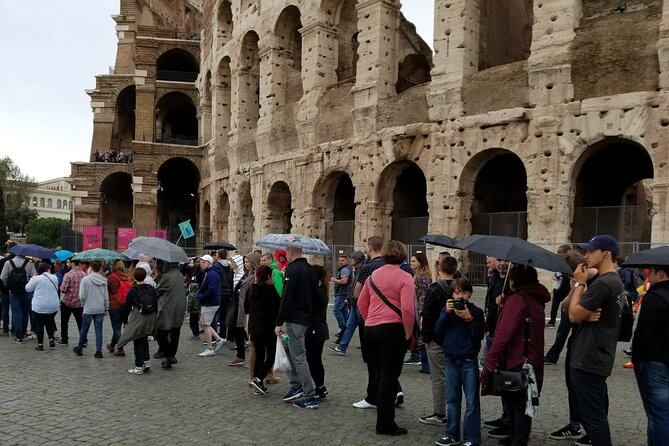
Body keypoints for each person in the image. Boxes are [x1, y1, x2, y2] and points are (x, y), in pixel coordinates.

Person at [483, 265, 550, 446]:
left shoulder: (519, 300)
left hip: (518, 361)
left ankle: (519, 440)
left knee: (518, 404)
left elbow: (504, 334)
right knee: (521, 403)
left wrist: (490, 361)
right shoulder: (535, 299)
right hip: (531, 360)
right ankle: (515, 435)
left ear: (515, 280)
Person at [569, 235, 625, 446]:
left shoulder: (603, 284)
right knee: (596, 414)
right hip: (599, 355)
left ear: (606, 254)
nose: (586, 256)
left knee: (594, 419)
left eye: (591, 251)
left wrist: (578, 285)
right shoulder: (614, 281)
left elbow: (573, 315)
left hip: (589, 357)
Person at [357, 240, 415, 435]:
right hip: (392, 329)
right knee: (389, 377)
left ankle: (383, 418)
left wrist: (370, 320)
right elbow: (407, 308)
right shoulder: (405, 277)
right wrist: (408, 331)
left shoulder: (373, 275)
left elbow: (361, 303)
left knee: (380, 374)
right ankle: (385, 424)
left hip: (371, 329)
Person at [546, 250, 594, 444]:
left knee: (585, 389)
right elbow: (566, 307)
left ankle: (591, 430)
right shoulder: (577, 282)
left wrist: (580, 285)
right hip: (575, 341)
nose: (567, 277)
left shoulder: (593, 283)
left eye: (568, 273)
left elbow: (574, 314)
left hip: (587, 344)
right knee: (571, 384)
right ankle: (574, 425)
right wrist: (575, 287)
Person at [435, 278, 485, 446]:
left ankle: (472, 437)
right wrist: (446, 315)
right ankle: (452, 433)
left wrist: (469, 318)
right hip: (450, 360)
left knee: (471, 401)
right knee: (452, 400)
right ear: (452, 295)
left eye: (463, 292)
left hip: (469, 361)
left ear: (470, 294)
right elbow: (438, 333)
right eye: (457, 293)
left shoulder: (476, 312)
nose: (460, 297)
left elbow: (478, 336)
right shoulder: (446, 311)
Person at [275, 246, 319, 410]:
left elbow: (287, 297)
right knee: (289, 349)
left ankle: (309, 395)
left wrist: (279, 322)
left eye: (287, 251)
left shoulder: (292, 270)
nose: (285, 254)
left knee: (299, 357)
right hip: (305, 318)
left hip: (295, 319)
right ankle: (296, 385)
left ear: (292, 252)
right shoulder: (310, 269)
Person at [631, 265, 669, 446]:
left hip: (654, 360)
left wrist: (636, 359)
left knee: (658, 414)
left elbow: (642, 334)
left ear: (660, 273)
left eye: (650, 271)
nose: (648, 275)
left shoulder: (654, 297)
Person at [419, 255, 458, 425]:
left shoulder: (434, 289)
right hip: (455, 337)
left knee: (438, 377)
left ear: (439, 269)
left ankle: (439, 413)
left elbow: (427, 315)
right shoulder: (460, 288)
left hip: (436, 338)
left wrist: (425, 337)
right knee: (454, 376)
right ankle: (453, 410)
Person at [245, 264, 281, 395]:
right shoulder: (271, 290)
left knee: (259, 354)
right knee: (271, 355)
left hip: (254, 327)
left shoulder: (251, 289)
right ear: (268, 277)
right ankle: (259, 379)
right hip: (268, 328)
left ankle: (256, 380)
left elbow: (246, 309)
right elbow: (278, 308)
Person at [116, 267, 158, 374]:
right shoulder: (151, 288)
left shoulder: (133, 290)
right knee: (144, 339)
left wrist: (124, 320)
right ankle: (146, 361)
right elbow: (156, 303)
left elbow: (127, 307)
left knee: (137, 340)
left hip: (139, 318)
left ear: (134, 277)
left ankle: (139, 366)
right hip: (150, 317)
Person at [330, 251, 366, 355]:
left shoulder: (359, 270)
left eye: (352, 258)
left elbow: (346, 282)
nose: (351, 260)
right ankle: (342, 346)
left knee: (362, 324)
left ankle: (366, 347)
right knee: (350, 324)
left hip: (358, 301)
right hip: (354, 301)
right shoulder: (356, 270)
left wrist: (334, 280)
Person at [154, 259, 187, 369]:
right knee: (175, 332)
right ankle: (170, 355)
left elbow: (157, 291)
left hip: (168, 307)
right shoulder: (180, 274)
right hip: (179, 307)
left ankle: (168, 354)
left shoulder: (167, 276)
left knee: (160, 331)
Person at [227, 253, 258, 366]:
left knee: (245, 331)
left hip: (246, 307)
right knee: (236, 329)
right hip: (238, 305)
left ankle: (250, 358)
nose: (245, 264)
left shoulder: (255, 275)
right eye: (244, 262)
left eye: (247, 262)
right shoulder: (246, 274)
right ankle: (240, 355)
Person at [73, 260, 109, 358]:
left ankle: (80, 348)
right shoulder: (104, 280)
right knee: (99, 330)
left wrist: (84, 304)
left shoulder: (86, 280)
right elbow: (106, 296)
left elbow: (82, 295)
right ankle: (99, 351)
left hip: (89, 307)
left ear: (91, 268)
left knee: (84, 328)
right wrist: (106, 307)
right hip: (99, 308)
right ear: (100, 268)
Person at [1, 249, 37, 343]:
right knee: (25, 312)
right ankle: (24, 332)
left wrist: (7, 284)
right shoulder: (30, 264)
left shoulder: (8, 263)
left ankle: (18, 336)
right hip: (26, 291)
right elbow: (34, 277)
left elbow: (2, 277)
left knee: (16, 313)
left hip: (13, 292)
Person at [25, 262, 60, 351]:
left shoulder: (37, 278)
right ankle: (51, 339)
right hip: (53, 305)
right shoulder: (54, 277)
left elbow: (28, 289)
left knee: (39, 324)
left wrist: (32, 279)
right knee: (49, 322)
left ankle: (40, 344)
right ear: (48, 269)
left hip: (40, 305)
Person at [196, 255, 226, 357]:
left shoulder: (212, 274)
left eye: (204, 262)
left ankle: (210, 348)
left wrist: (202, 296)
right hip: (210, 302)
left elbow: (212, 289)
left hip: (210, 302)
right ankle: (219, 339)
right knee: (205, 324)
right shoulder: (210, 273)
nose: (201, 263)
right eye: (201, 261)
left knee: (206, 325)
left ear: (209, 263)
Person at [308, 264, 330, 399]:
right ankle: (320, 386)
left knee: (312, 360)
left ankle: (319, 387)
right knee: (316, 359)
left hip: (315, 329)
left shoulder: (316, 291)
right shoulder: (321, 289)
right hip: (320, 328)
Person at [407, 252, 432, 367]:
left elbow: (423, 295)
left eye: (413, 261)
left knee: (421, 336)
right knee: (418, 336)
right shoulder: (418, 275)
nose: (411, 263)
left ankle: (425, 364)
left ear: (420, 263)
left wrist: (420, 312)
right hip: (417, 307)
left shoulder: (422, 276)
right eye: (411, 261)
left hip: (420, 309)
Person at [58, 260, 89, 346]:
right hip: (79, 302)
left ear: (72, 264)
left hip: (67, 302)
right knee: (80, 322)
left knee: (64, 322)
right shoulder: (84, 275)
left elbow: (63, 289)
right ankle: (84, 339)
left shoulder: (68, 275)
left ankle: (64, 339)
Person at [107, 260, 131, 357]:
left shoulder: (110, 277)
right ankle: (112, 345)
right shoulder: (126, 277)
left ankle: (120, 349)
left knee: (116, 328)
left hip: (114, 306)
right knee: (118, 327)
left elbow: (106, 291)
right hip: (125, 306)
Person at [547, 244, 573, 327]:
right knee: (554, 306)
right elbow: (554, 274)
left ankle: (566, 322)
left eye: (560, 252)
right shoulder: (557, 262)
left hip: (567, 288)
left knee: (566, 307)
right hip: (558, 287)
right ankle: (552, 321)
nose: (558, 254)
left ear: (566, 253)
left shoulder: (570, 263)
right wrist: (555, 277)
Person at [331, 255, 352, 343]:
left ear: (347, 261)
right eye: (339, 260)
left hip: (342, 293)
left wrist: (334, 280)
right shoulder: (344, 269)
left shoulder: (345, 270)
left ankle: (343, 329)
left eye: (342, 260)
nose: (340, 262)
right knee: (344, 312)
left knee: (336, 310)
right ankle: (347, 330)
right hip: (344, 293)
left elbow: (344, 281)